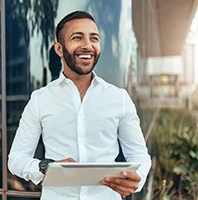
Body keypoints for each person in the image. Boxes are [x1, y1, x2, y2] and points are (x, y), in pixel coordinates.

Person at [8, 11, 151, 199]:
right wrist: (46, 167)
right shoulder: (40, 99)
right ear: (59, 49)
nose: (88, 46)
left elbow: (140, 155)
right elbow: (16, 159)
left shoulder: (119, 98)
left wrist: (137, 177)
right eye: (77, 38)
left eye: (94, 38)